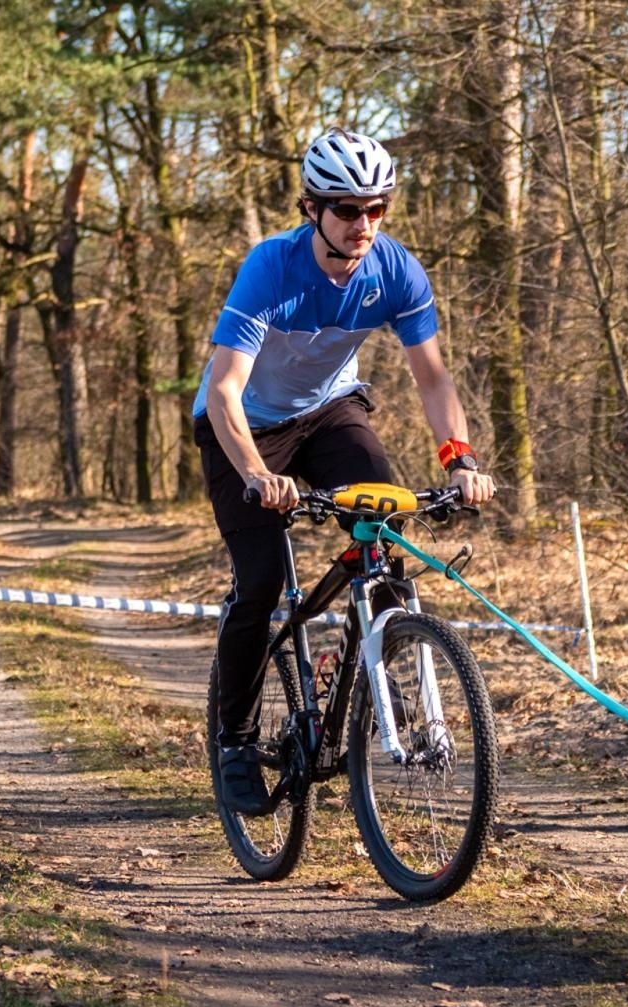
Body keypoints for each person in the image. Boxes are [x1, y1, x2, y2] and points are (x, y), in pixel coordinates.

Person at [194, 127, 495, 815]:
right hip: (244, 426)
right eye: (348, 209)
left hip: (331, 412)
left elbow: (432, 379)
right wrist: (255, 472)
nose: (364, 224)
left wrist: (460, 457)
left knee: (385, 535)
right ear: (312, 209)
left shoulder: (396, 271)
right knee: (262, 578)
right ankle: (235, 738)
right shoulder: (271, 269)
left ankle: (370, 666)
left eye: (377, 209)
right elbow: (224, 389)